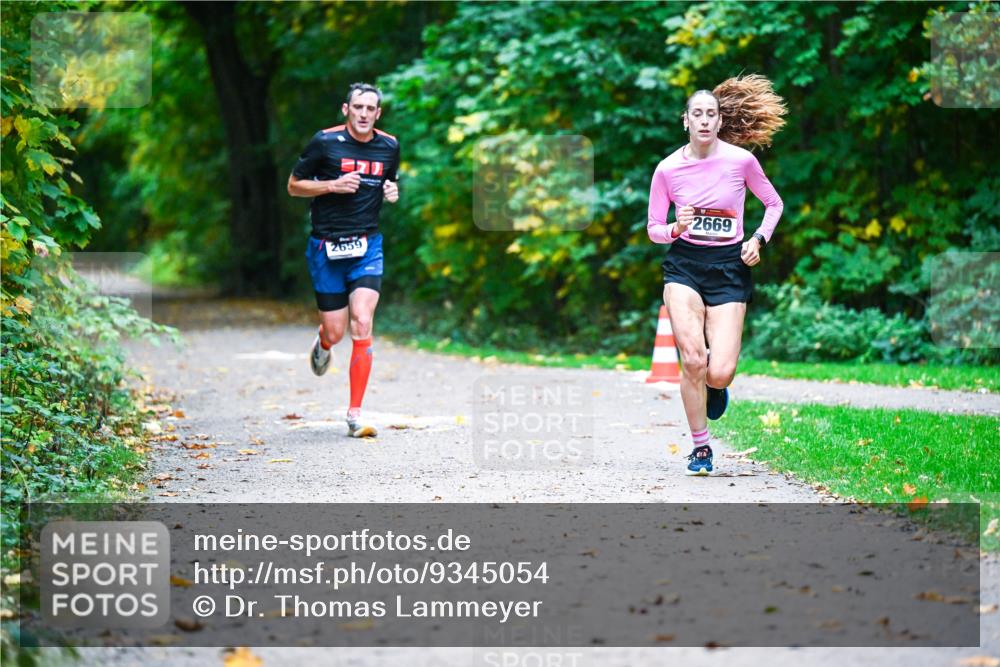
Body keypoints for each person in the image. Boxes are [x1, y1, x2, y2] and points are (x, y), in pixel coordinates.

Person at [646, 74, 786, 476]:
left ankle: (714, 388)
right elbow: (654, 228)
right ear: (685, 121)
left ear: (720, 121)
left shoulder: (741, 161)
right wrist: (675, 228)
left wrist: (757, 239)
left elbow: (773, 204)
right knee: (693, 359)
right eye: (697, 114)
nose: (705, 120)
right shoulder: (668, 169)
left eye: (711, 113)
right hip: (684, 266)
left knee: (719, 372)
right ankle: (701, 447)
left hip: (729, 267)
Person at [287, 82, 400, 438]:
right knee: (336, 332)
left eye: (370, 108)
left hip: (367, 247)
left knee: (362, 321)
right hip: (327, 248)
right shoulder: (325, 142)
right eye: (358, 107)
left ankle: (355, 414)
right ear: (346, 109)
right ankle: (323, 343)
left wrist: (393, 191)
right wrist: (331, 185)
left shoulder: (389, 146)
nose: (364, 114)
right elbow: (293, 185)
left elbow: (389, 183)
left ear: (378, 113)